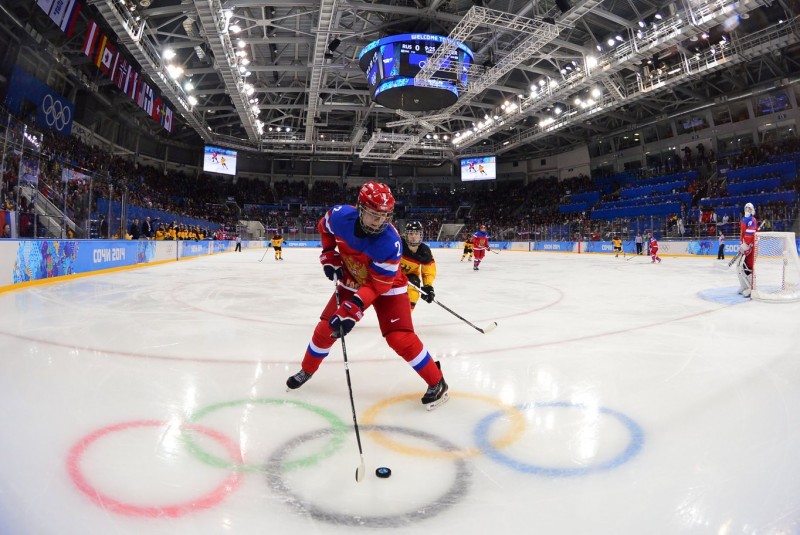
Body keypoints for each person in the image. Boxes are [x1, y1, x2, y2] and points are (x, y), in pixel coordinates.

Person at [286, 181, 448, 409]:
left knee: (399, 337)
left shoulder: (390, 243)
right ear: (360, 208)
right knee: (325, 329)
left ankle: (437, 381)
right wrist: (329, 254)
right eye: (373, 214)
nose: (380, 222)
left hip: (388, 286)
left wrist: (353, 308)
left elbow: (377, 286)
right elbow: (325, 229)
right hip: (353, 280)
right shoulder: (340, 216)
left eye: (385, 216)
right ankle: (307, 370)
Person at [399, 221, 437, 311]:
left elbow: (428, 271)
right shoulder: (398, 244)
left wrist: (428, 286)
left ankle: (405, 316)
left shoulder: (425, 251)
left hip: (410, 276)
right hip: (391, 273)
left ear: (421, 235)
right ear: (406, 235)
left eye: (416, 233)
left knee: (414, 286)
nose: (413, 236)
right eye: (410, 233)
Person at [738, 202, 758, 297]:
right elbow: (742, 234)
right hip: (744, 245)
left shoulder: (752, 220)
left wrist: (746, 245)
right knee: (740, 267)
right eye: (746, 208)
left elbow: (750, 234)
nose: (747, 210)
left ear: (752, 210)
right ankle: (744, 285)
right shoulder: (743, 219)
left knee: (749, 266)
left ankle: (752, 287)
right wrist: (741, 243)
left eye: (749, 208)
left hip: (751, 247)